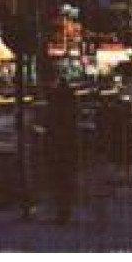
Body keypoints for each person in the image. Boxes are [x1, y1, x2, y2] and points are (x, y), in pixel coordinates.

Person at [43, 77, 81, 224]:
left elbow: (48, 123)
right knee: (66, 179)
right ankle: (64, 210)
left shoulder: (53, 106)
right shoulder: (70, 105)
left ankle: (60, 210)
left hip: (55, 146)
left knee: (57, 179)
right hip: (68, 146)